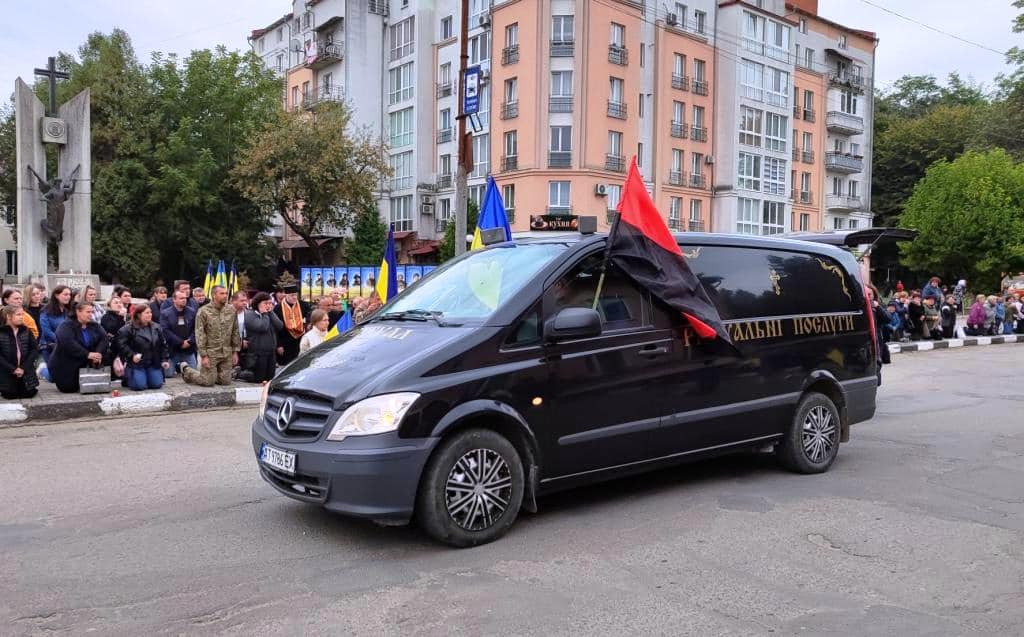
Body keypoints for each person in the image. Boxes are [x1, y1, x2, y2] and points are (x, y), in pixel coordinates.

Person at [179, 286, 240, 387]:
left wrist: (235, 352)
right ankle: (187, 370)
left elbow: (235, 331)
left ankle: (214, 374)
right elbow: (200, 334)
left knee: (225, 382)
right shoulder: (203, 311)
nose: (225, 296)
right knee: (208, 382)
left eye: (226, 293)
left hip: (226, 352)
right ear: (214, 295)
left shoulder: (231, 310)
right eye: (222, 293)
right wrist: (204, 356)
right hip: (211, 352)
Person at [48, 302, 108, 393]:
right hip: (66, 363)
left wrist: (98, 353)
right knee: (68, 389)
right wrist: (87, 354)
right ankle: (45, 371)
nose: (91, 315)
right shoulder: (66, 326)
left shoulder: (95, 325)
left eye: (92, 312)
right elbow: (68, 343)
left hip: (85, 361)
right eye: (88, 312)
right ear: (78, 312)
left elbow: (104, 339)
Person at [116, 304, 170, 391]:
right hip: (137, 363)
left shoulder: (156, 327)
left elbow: (163, 345)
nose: (150, 315)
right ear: (139, 315)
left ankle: (147, 376)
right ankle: (128, 377)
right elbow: (121, 345)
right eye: (147, 313)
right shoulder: (127, 329)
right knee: (139, 386)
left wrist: (164, 359)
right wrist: (132, 355)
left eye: (150, 312)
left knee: (156, 384)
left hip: (152, 362)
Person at [240, 292, 282, 383]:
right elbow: (262, 327)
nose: (268, 305)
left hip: (271, 352)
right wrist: (265, 314)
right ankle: (239, 374)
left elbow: (280, 326)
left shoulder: (269, 314)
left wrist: (270, 313)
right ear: (258, 303)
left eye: (270, 303)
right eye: (265, 303)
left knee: (270, 378)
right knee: (259, 379)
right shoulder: (250, 314)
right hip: (258, 354)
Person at [0, 305, 40, 399]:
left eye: (22, 314)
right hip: (8, 371)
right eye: (18, 315)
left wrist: (23, 368)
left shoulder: (26, 331)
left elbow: (34, 349)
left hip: (25, 370)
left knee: (28, 393)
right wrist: (13, 369)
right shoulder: (1, 332)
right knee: (10, 395)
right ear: (8, 316)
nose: (22, 317)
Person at [160, 290, 198, 377]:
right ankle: (178, 366)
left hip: (188, 349)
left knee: (194, 373)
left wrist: (189, 341)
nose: (184, 300)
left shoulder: (192, 312)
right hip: (173, 349)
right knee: (168, 375)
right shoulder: (165, 313)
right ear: (174, 300)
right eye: (181, 298)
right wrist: (181, 342)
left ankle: (183, 367)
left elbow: (197, 329)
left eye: (185, 298)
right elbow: (165, 331)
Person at [273, 281, 308, 366]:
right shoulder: (278, 308)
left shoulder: (303, 305)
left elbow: (309, 317)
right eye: (292, 295)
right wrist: (278, 345)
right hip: (285, 342)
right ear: (286, 295)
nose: (294, 297)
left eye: (296, 295)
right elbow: (275, 328)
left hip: (300, 340)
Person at [39, 285, 73, 364]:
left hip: (65, 348)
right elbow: (46, 331)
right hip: (49, 348)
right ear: (56, 295)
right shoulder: (46, 311)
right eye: (65, 294)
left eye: (69, 294)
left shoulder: (67, 311)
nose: (68, 297)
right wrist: (61, 340)